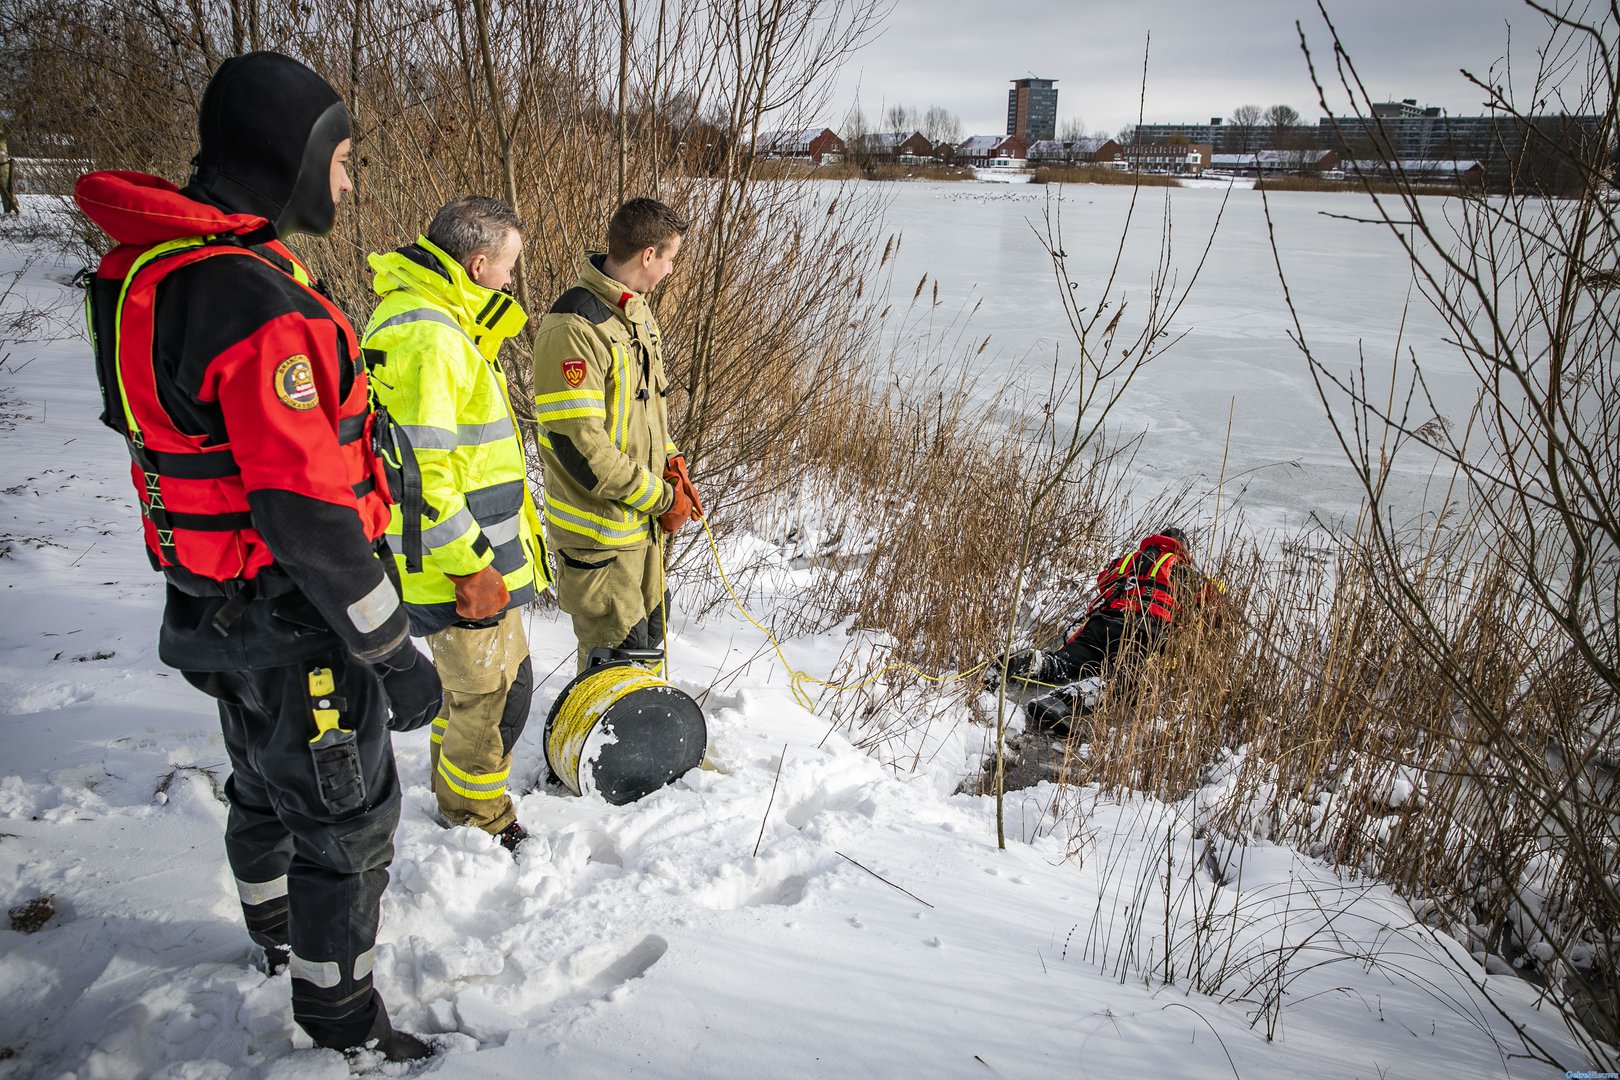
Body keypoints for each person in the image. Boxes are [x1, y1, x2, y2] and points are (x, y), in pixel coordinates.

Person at [74, 52, 437, 1061]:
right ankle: (340, 1021)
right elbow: (307, 510)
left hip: (212, 606)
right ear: (294, 154)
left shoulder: (159, 270)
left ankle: (273, 935)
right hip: (297, 620)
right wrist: (390, 648)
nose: (351, 181)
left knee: (262, 786)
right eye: (345, 158)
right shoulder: (256, 300)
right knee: (344, 820)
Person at [362, 196, 550, 853]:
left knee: (485, 689)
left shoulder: (442, 319)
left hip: (473, 555)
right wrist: (470, 564)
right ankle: (476, 819)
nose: (509, 280)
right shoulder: (430, 334)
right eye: (506, 267)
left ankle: (457, 796)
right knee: (494, 697)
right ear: (475, 263)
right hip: (459, 564)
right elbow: (422, 477)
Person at [530, 197, 702, 672]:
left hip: (639, 536)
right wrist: (662, 499)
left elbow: (644, 415)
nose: (670, 270)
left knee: (644, 657)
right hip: (601, 542)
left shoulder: (636, 315)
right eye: (669, 258)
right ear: (648, 254)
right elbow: (580, 448)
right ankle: (587, 747)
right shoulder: (574, 326)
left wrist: (671, 461)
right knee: (613, 670)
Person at [986, 527, 1220, 733]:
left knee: (1060, 664)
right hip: (1140, 632)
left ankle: (1010, 663)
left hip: (1101, 623)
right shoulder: (1184, 571)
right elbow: (1209, 605)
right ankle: (1058, 701)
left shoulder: (1130, 559)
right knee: (1125, 684)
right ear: (1184, 550)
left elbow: (1103, 581)